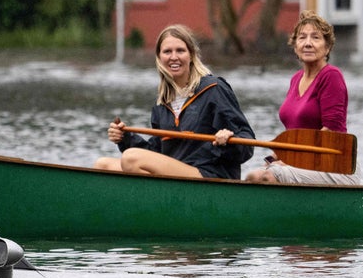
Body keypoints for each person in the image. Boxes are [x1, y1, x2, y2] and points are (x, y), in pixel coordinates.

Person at [94, 24, 255, 179]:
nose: (173, 57)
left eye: (180, 50)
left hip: (210, 175)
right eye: (167, 52)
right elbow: (157, 153)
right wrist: (125, 138)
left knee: (130, 158)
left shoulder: (214, 89)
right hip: (176, 174)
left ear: (191, 55)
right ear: (159, 58)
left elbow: (247, 143)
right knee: (102, 165)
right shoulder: (162, 102)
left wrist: (227, 140)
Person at [247, 11, 361, 185]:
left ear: (327, 47)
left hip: (335, 167)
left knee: (266, 177)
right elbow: (293, 135)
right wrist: (273, 158)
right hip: (299, 164)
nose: (308, 43)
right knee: (252, 176)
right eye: (302, 38)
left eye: (315, 38)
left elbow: (331, 132)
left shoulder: (331, 76)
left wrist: (290, 160)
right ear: (295, 46)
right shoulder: (295, 79)